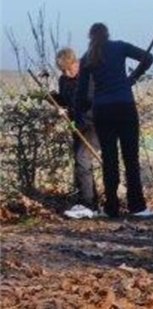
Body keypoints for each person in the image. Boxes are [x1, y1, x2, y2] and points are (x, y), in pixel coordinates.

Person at [74, 23, 153, 218]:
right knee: (131, 158)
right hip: (125, 107)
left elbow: (82, 95)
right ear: (107, 34)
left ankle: (112, 207)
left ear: (90, 37)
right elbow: (148, 58)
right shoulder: (120, 47)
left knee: (110, 160)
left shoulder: (87, 58)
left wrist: (79, 115)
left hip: (102, 111)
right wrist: (133, 77)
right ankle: (137, 206)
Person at [49, 47, 99, 214]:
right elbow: (65, 101)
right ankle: (89, 202)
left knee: (82, 159)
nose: (67, 73)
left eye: (69, 68)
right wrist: (54, 100)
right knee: (79, 163)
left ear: (76, 63)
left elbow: (90, 102)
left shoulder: (89, 76)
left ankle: (88, 205)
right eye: (63, 70)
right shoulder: (63, 80)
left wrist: (70, 110)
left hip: (94, 124)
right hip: (77, 126)